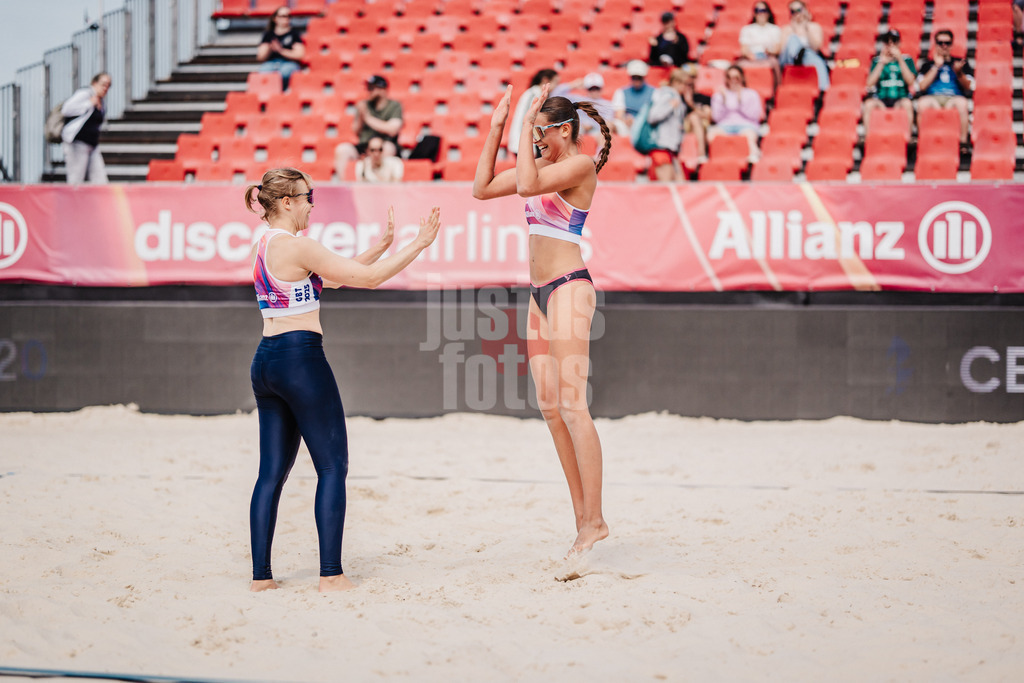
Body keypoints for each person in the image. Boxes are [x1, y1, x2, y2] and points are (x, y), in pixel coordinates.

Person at [245, 167, 440, 593]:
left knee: (270, 474)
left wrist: (382, 245)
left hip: (266, 360)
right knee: (333, 466)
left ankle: (261, 578)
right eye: (308, 196)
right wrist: (418, 245)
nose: (313, 203)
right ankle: (331, 575)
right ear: (287, 202)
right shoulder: (299, 245)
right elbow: (366, 280)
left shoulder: (263, 243)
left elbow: (329, 278)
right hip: (300, 358)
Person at [472, 85, 612, 558]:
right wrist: (497, 129)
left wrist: (524, 128)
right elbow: (482, 188)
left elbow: (528, 184)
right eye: (532, 134)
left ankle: (594, 521)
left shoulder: (580, 163)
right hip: (539, 295)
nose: (535, 141)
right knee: (551, 411)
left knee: (574, 408)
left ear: (565, 131)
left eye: (541, 133)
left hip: (569, 285)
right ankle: (583, 522)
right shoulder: (545, 166)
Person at [915, 29, 975, 149]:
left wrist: (959, 73)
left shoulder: (961, 63)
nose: (944, 46)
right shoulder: (927, 64)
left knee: (962, 103)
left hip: (953, 97)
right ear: (935, 44)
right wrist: (936, 66)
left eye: (947, 43)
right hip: (933, 98)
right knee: (921, 104)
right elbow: (922, 86)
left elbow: (969, 86)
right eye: (940, 42)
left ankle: (963, 144)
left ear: (951, 44)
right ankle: (922, 142)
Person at [334, 75, 404, 169]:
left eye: (372, 88)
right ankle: (344, 183)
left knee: (388, 148)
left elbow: (393, 129)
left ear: (382, 89)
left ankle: (382, 182)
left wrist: (367, 118)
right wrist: (361, 116)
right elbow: (355, 131)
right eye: (368, 88)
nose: (368, 91)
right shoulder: (364, 105)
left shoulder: (394, 105)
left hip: (383, 145)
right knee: (342, 150)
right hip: (365, 146)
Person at [863, 29, 916, 136]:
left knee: (907, 104)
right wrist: (882, 63)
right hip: (881, 99)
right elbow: (869, 83)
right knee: (868, 105)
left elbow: (910, 81)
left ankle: (908, 138)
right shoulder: (877, 61)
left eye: (894, 41)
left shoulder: (907, 60)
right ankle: (868, 139)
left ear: (899, 43)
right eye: (887, 41)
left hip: (900, 98)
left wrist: (899, 59)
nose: (891, 44)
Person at [60, 72, 111, 184]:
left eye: (108, 85)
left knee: (100, 180)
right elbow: (66, 109)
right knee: (76, 178)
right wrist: (88, 104)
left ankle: (99, 201)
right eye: (103, 84)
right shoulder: (85, 94)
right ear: (94, 83)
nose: (105, 88)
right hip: (77, 143)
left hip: (92, 144)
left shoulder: (101, 102)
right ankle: (72, 201)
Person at [708, 65, 764, 162]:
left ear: (742, 78)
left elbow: (755, 116)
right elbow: (716, 118)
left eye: (736, 77)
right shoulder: (719, 95)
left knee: (749, 135)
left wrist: (740, 101)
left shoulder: (752, 94)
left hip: (746, 125)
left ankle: (754, 156)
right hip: (725, 126)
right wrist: (724, 101)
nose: (733, 80)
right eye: (730, 77)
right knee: (712, 134)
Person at [645, 67, 688, 181]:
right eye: (685, 84)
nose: (687, 88)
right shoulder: (667, 95)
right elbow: (652, 116)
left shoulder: (676, 96)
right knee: (667, 186)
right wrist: (670, 107)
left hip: (671, 149)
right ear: (677, 83)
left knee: (679, 184)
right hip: (661, 147)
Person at [509, 69, 563, 155]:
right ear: (545, 80)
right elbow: (528, 121)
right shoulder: (534, 95)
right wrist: (531, 146)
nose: (556, 86)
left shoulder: (535, 93)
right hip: (525, 143)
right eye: (555, 82)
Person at [778, 0, 830, 91]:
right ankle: (798, 54)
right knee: (793, 39)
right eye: (793, 11)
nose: (796, 13)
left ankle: (823, 90)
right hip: (789, 59)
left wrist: (806, 28)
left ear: (805, 10)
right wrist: (794, 30)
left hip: (808, 57)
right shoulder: (786, 29)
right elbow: (782, 51)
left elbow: (816, 47)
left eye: (799, 10)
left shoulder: (814, 27)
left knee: (815, 58)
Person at [257, 6, 305, 91]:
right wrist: (270, 48)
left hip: (288, 63)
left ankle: (279, 95)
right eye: (283, 16)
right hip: (271, 62)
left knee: (285, 72)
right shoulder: (268, 35)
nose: (286, 18)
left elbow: (299, 55)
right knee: (264, 71)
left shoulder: (294, 34)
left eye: (289, 16)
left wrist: (281, 51)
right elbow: (260, 57)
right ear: (275, 18)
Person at [678, 63, 712, 164]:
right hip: (681, 126)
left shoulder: (703, 97)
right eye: (685, 77)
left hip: (701, 126)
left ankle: (701, 154)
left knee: (694, 117)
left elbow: (708, 116)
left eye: (690, 77)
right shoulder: (677, 96)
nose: (688, 80)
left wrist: (691, 104)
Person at [611, 60, 655, 136]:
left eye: (639, 78)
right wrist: (626, 120)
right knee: (609, 125)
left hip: (646, 126)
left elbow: (655, 115)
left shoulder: (654, 92)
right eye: (634, 77)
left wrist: (638, 121)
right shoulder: (621, 92)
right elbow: (619, 114)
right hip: (627, 126)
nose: (636, 80)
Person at [739, 2, 782, 79]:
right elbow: (744, 49)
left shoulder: (775, 29)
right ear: (754, 14)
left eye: (763, 10)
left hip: (768, 56)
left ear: (768, 13)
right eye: (757, 10)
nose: (761, 13)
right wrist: (751, 56)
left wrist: (769, 52)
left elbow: (777, 49)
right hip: (752, 56)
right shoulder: (747, 29)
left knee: (774, 64)